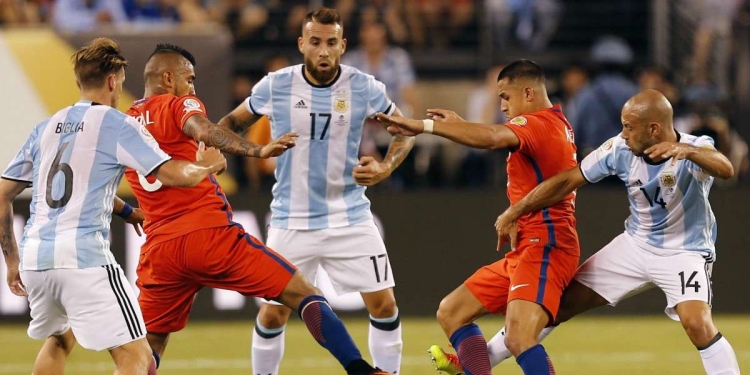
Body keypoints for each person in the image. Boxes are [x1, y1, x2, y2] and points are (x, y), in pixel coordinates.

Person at [124, 42, 391, 375]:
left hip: (160, 252)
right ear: (168, 78)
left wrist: (124, 212)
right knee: (305, 293)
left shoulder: (123, 123)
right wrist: (257, 150)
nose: (192, 87)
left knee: (151, 346)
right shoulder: (179, 104)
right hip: (209, 237)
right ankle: (360, 370)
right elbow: (205, 129)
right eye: (188, 79)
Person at [439, 89, 741, 375]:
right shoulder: (619, 149)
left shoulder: (694, 147)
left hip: (683, 253)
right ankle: (479, 363)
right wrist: (516, 210)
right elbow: (568, 180)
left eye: (628, 126)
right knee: (557, 305)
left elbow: (725, 169)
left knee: (697, 324)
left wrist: (687, 151)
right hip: (635, 247)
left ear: (653, 129)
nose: (622, 133)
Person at [0, 37, 226, 375]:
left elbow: (4, 194)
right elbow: (173, 174)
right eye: (121, 81)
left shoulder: (45, 128)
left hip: (35, 259)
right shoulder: (117, 123)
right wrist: (207, 164)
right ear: (112, 80)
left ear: (80, 81)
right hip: (83, 260)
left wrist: (12, 260)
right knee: (137, 357)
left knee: (60, 341)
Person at [218, 7, 415, 375]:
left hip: (351, 215)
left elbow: (403, 130)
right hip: (291, 219)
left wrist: (386, 166)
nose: (322, 51)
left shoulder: (363, 86)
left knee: (385, 306)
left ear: (342, 45)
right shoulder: (276, 85)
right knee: (274, 312)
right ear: (301, 44)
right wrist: (256, 150)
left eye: (330, 43)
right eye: (315, 42)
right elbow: (228, 125)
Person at [378, 59, 579, 375]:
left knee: (519, 338)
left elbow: (493, 138)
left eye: (505, 97)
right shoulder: (553, 124)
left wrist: (424, 127)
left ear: (528, 93)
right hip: (527, 246)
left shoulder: (541, 124)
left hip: (546, 247)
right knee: (452, 311)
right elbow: (494, 134)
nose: (501, 105)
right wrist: (460, 124)